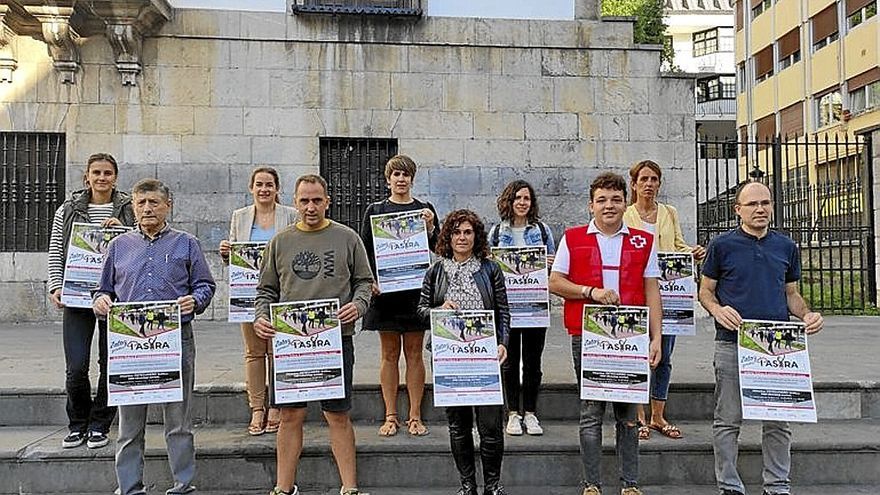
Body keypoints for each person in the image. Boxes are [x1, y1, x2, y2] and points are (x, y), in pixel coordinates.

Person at [698, 181, 824, 495]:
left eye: (765, 203)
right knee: (728, 419)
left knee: (779, 422)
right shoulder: (721, 245)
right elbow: (705, 291)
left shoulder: (786, 247)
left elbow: (791, 294)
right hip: (732, 341)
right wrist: (717, 309)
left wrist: (806, 314)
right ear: (737, 209)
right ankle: (729, 485)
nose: (760, 209)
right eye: (752, 204)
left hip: (779, 347)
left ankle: (777, 485)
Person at [93, 178, 216, 495]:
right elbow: (102, 289)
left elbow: (205, 285)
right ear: (133, 207)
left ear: (167, 206)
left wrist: (196, 300)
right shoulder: (119, 246)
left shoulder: (186, 243)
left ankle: (183, 485)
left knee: (178, 421)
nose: (147, 208)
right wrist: (101, 301)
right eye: (141, 203)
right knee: (129, 425)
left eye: (154, 203)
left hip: (174, 340)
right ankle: (130, 487)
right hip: (129, 345)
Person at [254, 174, 373, 495]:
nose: (310, 206)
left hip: (334, 341)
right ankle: (283, 486)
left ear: (327, 202)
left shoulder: (347, 238)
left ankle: (350, 487)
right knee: (290, 415)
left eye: (317, 200)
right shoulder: (280, 242)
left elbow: (364, 281)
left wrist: (358, 305)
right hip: (291, 344)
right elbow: (265, 290)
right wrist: (261, 318)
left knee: (337, 414)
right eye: (304, 200)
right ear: (295, 202)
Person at [548, 172, 662, 495]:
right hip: (587, 335)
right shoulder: (572, 238)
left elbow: (652, 290)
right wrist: (590, 292)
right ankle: (592, 483)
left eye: (615, 199)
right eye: (602, 200)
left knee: (627, 413)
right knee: (591, 411)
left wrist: (656, 337)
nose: (608, 206)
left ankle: (630, 483)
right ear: (590, 205)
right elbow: (555, 282)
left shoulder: (643, 241)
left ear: (625, 203)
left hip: (631, 337)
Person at [417, 209, 511, 495]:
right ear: (448, 235)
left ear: (476, 235)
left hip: (485, 355)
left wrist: (503, 342)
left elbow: (503, 311)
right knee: (458, 425)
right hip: (449, 357)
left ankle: (493, 484)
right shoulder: (435, 270)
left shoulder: (490, 268)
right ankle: (467, 485)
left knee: (490, 426)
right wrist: (437, 310)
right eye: (457, 232)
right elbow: (420, 311)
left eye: (467, 232)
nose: (462, 237)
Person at [47, 152, 136, 450]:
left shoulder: (128, 208)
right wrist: (56, 286)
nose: (101, 178)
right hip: (77, 296)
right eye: (96, 172)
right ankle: (77, 424)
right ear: (87, 176)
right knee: (76, 366)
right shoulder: (68, 209)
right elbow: (56, 248)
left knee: (111, 363)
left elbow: (142, 243)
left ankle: (100, 424)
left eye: (107, 173)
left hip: (115, 297)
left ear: (115, 177)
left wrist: (123, 231)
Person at [622, 159, 706, 441]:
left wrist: (692, 252)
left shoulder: (669, 213)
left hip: (669, 294)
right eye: (643, 179)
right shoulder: (625, 215)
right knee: (639, 354)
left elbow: (678, 244)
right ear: (633, 184)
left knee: (665, 356)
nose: (649, 184)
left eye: (654, 179)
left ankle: (658, 414)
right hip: (636, 294)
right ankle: (639, 416)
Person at [359, 155, 439, 437]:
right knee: (389, 354)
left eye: (406, 174)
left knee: (415, 354)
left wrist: (429, 226)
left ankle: (415, 415)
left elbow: (438, 248)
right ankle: (390, 415)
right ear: (388, 178)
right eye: (396, 174)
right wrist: (370, 281)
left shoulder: (424, 210)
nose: (401, 179)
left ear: (412, 179)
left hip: (415, 292)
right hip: (385, 292)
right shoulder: (375, 209)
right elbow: (364, 250)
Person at [219, 167, 297, 436]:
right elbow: (234, 257)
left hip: (283, 293)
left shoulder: (291, 215)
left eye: (269, 185)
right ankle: (257, 408)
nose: (264, 189)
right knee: (254, 352)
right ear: (251, 188)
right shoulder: (239, 217)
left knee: (279, 351)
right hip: (248, 294)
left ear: (277, 189)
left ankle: (277, 405)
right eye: (259, 184)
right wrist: (227, 253)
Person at [487, 179, 556, 437]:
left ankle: (531, 412)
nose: (522, 203)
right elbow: (490, 269)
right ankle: (513, 413)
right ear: (509, 201)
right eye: (517, 198)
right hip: (507, 308)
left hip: (535, 306)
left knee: (533, 361)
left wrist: (549, 262)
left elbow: (554, 266)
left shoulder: (542, 230)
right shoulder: (495, 232)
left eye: (526, 198)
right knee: (509, 361)